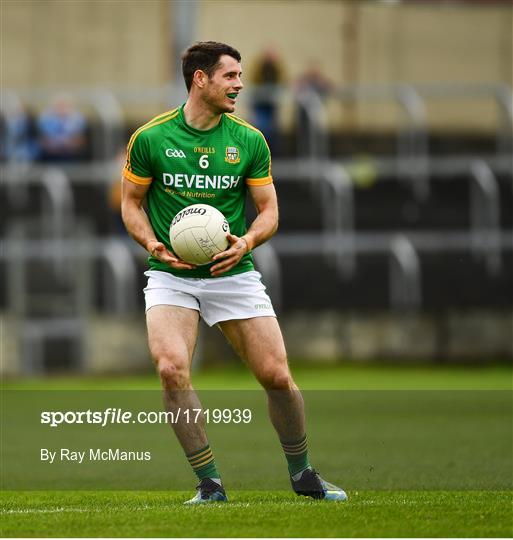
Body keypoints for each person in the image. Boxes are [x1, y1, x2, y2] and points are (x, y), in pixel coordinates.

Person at [121, 41, 347, 504]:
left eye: (240, 76)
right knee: (170, 369)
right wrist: (152, 243)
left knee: (277, 377)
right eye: (230, 76)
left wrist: (246, 241)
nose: (240, 85)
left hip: (233, 271)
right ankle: (210, 483)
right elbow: (131, 203)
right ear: (199, 79)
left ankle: (303, 473)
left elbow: (268, 212)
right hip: (172, 276)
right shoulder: (150, 138)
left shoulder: (248, 140)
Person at [38, 93, 87, 162]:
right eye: (59, 105)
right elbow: (43, 140)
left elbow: (80, 140)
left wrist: (69, 144)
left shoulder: (78, 119)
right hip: (51, 154)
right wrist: (54, 146)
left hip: (72, 153)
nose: (62, 108)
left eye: (64, 105)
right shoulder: (45, 119)